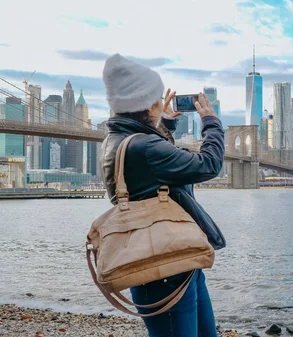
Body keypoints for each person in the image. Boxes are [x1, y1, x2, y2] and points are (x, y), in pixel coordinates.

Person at [100, 53, 226, 337]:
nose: (161, 101)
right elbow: (209, 164)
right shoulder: (144, 148)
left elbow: (157, 172)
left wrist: (164, 124)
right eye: (157, 97)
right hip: (163, 266)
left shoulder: (118, 140)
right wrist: (211, 122)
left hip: (174, 258)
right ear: (148, 104)